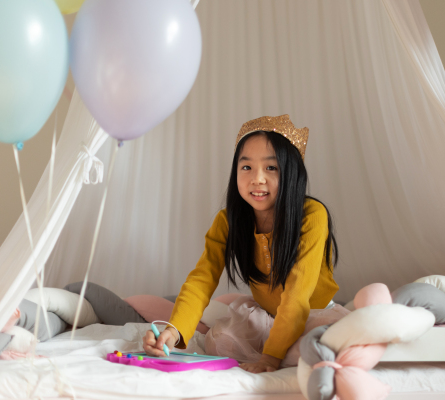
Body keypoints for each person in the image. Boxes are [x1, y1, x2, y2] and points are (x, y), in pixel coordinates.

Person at [143, 114, 339, 373]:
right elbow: (202, 279)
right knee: (219, 343)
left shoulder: (312, 215)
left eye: (271, 167)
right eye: (246, 167)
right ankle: (278, 347)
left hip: (311, 313)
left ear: (292, 174)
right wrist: (173, 331)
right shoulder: (228, 220)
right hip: (266, 313)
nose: (257, 178)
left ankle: (282, 349)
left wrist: (269, 359)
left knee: (317, 348)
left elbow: (296, 297)